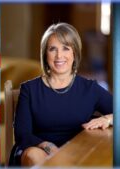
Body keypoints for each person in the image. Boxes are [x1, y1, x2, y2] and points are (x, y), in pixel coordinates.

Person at [9, 23, 113, 166]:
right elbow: (23, 134)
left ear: (74, 53)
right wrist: (50, 147)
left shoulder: (90, 88)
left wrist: (108, 118)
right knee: (32, 155)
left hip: (78, 152)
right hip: (38, 150)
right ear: (45, 54)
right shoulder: (29, 90)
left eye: (65, 48)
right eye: (53, 49)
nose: (59, 55)